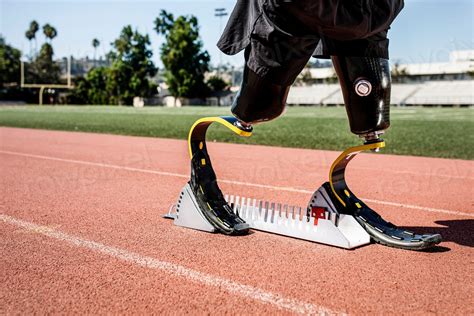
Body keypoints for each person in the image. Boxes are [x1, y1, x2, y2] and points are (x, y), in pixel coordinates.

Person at [189, 0, 441, 249]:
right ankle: (245, 114)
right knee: (259, 109)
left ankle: (334, 194)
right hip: (302, 8)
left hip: (367, 11)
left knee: (371, 121)